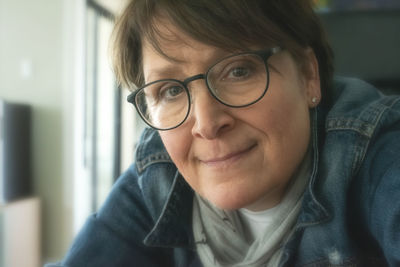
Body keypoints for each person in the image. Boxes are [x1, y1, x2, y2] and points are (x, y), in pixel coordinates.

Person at [47, 0, 400, 266]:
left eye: (238, 71)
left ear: (308, 74)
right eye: (170, 90)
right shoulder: (158, 172)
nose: (205, 123)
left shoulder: (376, 151)